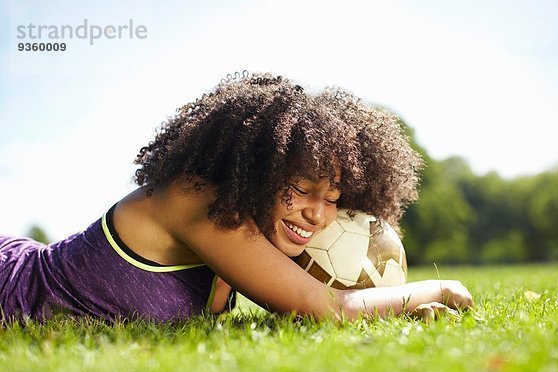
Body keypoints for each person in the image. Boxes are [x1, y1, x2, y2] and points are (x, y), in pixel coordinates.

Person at [0, 72, 472, 323]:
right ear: (260, 170)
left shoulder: (255, 229)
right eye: (301, 189)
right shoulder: (197, 200)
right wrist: (441, 290)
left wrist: (398, 309)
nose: (318, 213)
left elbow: (305, 309)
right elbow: (328, 308)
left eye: (332, 198)